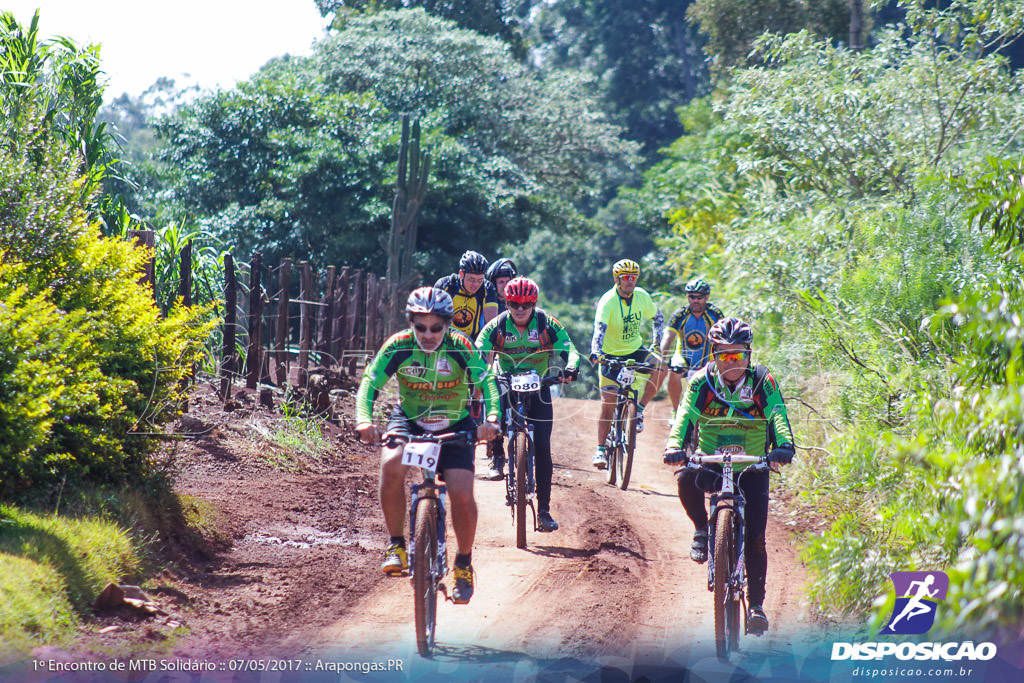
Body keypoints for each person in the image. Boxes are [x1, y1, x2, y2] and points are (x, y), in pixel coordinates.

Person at [355, 287, 500, 605]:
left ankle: (463, 564)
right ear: (411, 324)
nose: (428, 334)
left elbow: (487, 381)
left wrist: (491, 419)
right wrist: (364, 421)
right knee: (391, 465)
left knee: (462, 493)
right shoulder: (399, 346)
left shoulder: (460, 345)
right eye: (420, 327)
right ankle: (396, 545)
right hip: (410, 418)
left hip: (455, 422)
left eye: (436, 328)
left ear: (447, 325)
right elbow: (370, 382)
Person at [662, 317, 795, 634]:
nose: (731, 362)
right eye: (724, 355)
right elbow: (684, 417)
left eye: (738, 355)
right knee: (683, 478)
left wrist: (785, 445)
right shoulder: (701, 381)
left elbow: (777, 413)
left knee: (757, 539)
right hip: (711, 458)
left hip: (752, 463)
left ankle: (758, 607)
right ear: (714, 355)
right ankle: (701, 530)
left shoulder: (763, 381)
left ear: (749, 355)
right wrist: (673, 445)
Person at [476, 277, 581, 531]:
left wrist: (570, 367)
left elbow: (571, 350)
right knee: (494, 418)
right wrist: (478, 369)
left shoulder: (547, 323)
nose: (520, 309)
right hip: (506, 380)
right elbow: (478, 349)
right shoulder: (497, 325)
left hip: (540, 385)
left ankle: (544, 511)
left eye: (526, 304)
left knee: (543, 447)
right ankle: (499, 456)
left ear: (534, 303)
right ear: (507, 303)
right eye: (514, 303)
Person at [590, 259, 667, 469]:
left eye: (634, 277)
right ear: (617, 279)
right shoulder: (608, 301)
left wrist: (656, 345)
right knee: (609, 401)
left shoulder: (642, 296)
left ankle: (639, 408)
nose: (630, 281)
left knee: (662, 367)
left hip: (635, 349)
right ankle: (599, 449)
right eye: (626, 278)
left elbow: (658, 318)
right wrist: (596, 352)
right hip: (610, 353)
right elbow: (599, 329)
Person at [660, 278, 724, 421]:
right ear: (687, 297)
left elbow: (724, 338)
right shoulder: (680, 314)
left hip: (707, 360)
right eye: (691, 297)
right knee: (675, 370)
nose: (695, 301)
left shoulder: (715, 314)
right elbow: (668, 337)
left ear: (706, 297)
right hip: (683, 357)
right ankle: (676, 410)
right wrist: (661, 358)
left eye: (699, 297)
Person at [434, 250, 500, 339]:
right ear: (461, 274)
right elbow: (435, 319)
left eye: (480, 280)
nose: (476, 284)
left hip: (474, 342)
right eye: (472, 280)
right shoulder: (446, 285)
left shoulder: (487, 287)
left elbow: (491, 324)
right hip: (447, 338)